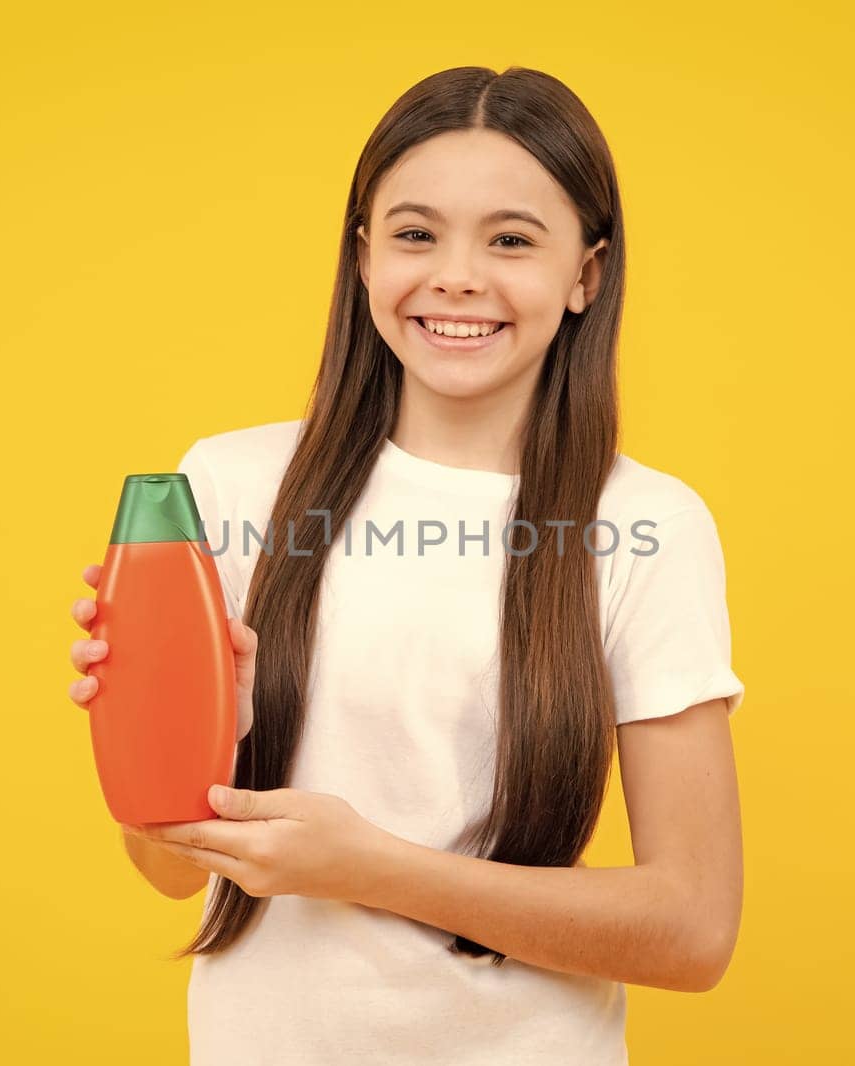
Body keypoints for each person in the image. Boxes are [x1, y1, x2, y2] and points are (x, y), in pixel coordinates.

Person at [67, 65, 746, 1066]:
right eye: (415, 234)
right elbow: (170, 871)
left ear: (585, 276)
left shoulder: (643, 523)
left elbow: (692, 929)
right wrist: (186, 748)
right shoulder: (227, 483)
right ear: (363, 256)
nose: (456, 276)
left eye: (510, 239)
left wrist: (371, 868)